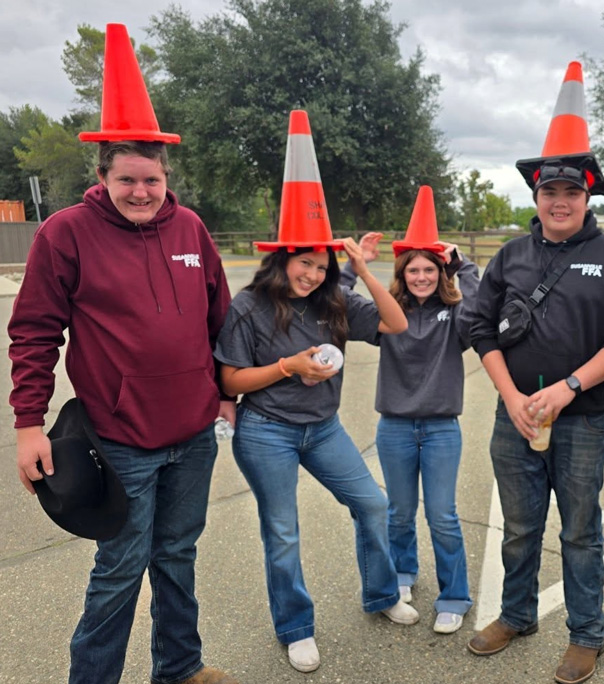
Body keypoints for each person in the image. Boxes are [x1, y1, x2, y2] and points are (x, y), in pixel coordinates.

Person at [8, 24, 237, 684]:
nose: (141, 192)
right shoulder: (65, 234)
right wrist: (28, 426)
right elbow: (34, 332)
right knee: (119, 571)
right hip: (121, 439)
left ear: (167, 177)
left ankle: (181, 668)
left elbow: (219, 319)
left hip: (194, 436)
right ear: (102, 174)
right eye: (127, 179)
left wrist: (225, 392)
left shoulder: (190, 228)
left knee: (178, 556)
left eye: (152, 180)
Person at [214, 109, 414, 675]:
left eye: (322, 265)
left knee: (372, 504)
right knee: (282, 531)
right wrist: (288, 367)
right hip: (267, 432)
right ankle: (296, 628)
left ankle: (382, 593)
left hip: (323, 429)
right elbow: (230, 381)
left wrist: (363, 270)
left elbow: (397, 324)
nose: (313, 274)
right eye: (305, 263)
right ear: (282, 260)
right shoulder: (249, 307)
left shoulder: (335, 299)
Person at [467, 61, 604, 684]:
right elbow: (480, 329)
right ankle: (517, 615)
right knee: (519, 528)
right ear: (536, 197)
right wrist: (514, 397)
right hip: (515, 415)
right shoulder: (511, 255)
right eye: (550, 191)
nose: (560, 201)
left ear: (587, 196)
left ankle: (586, 634)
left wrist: (569, 389)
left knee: (579, 532)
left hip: (584, 419)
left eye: (572, 191)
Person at [340, 189, 478, 634]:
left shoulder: (456, 314)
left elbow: (482, 311)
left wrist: (464, 266)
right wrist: (353, 266)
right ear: (402, 273)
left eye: (429, 269)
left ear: (441, 272)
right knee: (398, 512)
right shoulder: (389, 314)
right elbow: (337, 303)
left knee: (442, 516)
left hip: (441, 429)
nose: (421, 277)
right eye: (413, 270)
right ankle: (402, 573)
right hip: (395, 427)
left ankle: (454, 596)